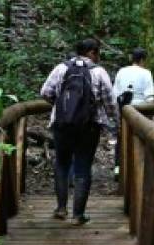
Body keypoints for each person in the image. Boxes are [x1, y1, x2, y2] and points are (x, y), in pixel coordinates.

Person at [40, 38, 119, 224]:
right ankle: (78, 215)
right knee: (83, 168)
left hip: (62, 125)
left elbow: (45, 92)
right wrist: (116, 122)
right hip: (89, 127)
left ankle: (61, 209)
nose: (99, 56)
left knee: (62, 163)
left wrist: (62, 108)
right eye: (98, 52)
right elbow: (110, 101)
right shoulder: (99, 72)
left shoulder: (61, 68)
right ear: (92, 52)